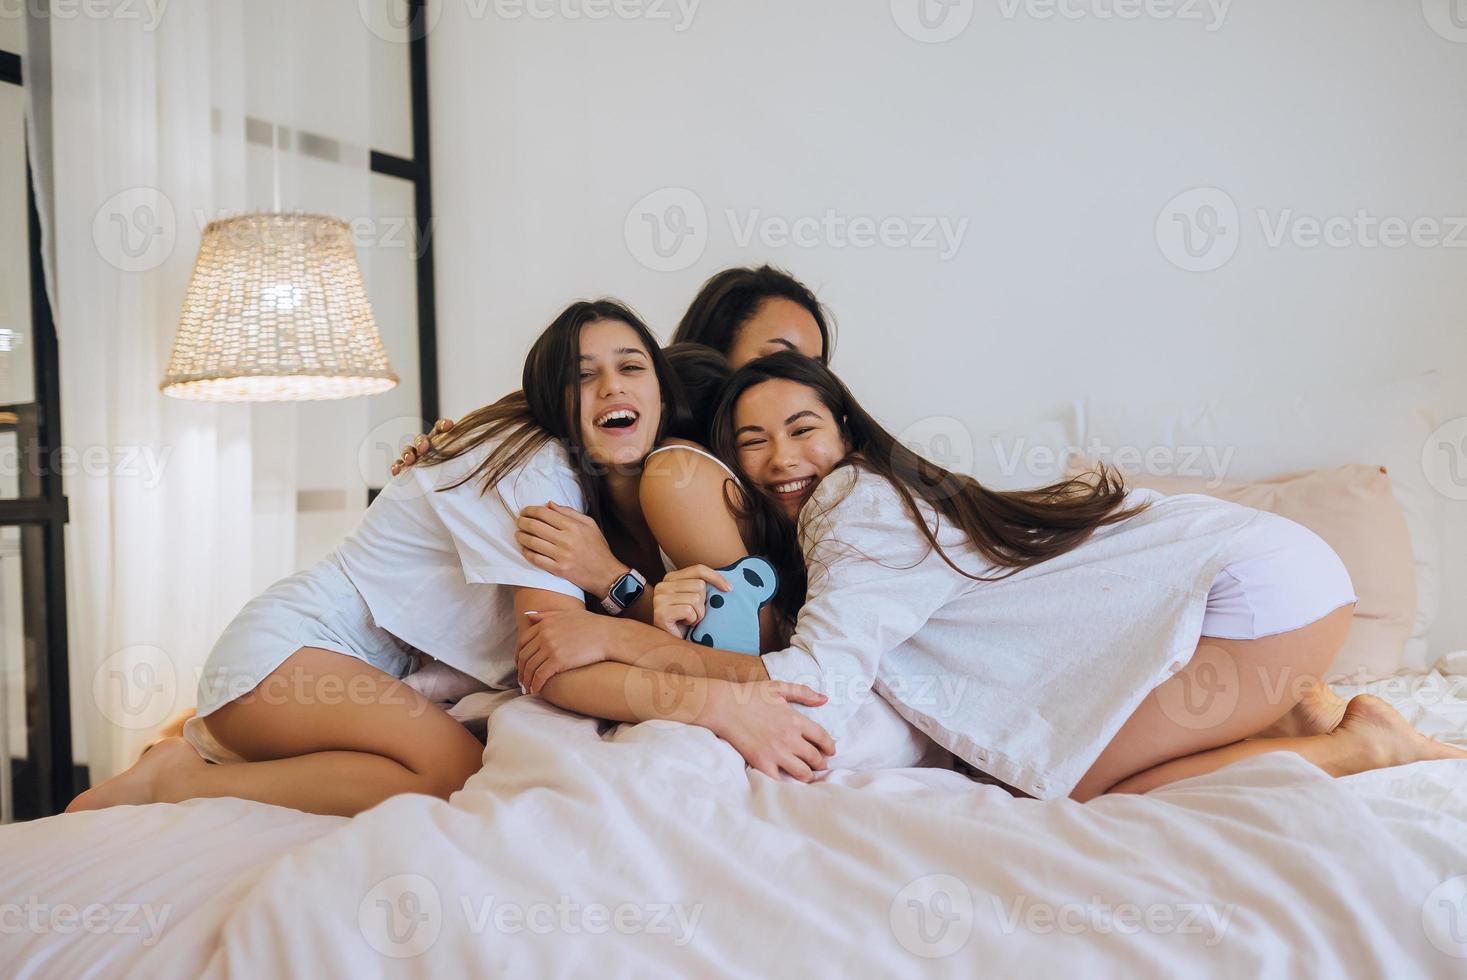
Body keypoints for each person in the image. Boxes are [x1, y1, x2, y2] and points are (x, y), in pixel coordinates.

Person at [517, 352, 1467, 801]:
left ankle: (1360, 748)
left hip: (1257, 593)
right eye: (750, 443)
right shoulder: (852, 527)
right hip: (1279, 585)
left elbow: (819, 685)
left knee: (1101, 791)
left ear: (845, 433)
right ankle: (1296, 715)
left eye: (801, 428)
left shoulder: (855, 502)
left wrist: (619, 635)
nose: (778, 459)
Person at [67, 302, 833, 817]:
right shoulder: (534, 471)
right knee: (449, 773)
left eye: (630, 367)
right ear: (551, 399)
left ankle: (208, 757)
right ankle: (180, 781)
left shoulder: (633, 496)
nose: (609, 387)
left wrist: (627, 588)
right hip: (295, 651)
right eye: (581, 375)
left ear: (664, 394)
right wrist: (722, 698)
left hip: (356, 677)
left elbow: (623, 625)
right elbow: (554, 661)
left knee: (456, 760)